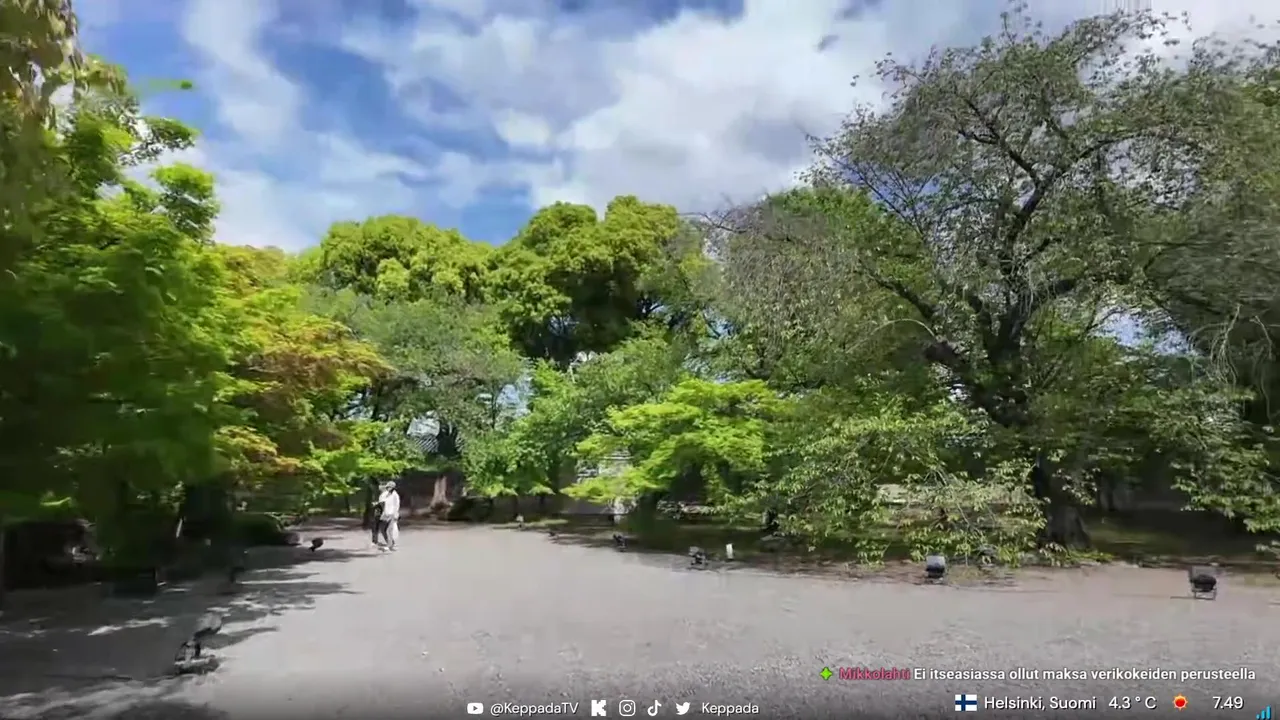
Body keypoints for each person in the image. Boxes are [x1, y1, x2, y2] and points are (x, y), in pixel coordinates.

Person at [376, 481, 401, 551]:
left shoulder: (395, 495)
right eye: (388, 487)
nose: (389, 488)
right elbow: (382, 503)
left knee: (389, 530)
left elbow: (397, 505)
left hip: (392, 514)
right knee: (383, 529)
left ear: (393, 488)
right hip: (385, 513)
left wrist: (396, 514)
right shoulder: (386, 494)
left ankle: (390, 545)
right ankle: (390, 543)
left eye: (390, 487)